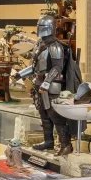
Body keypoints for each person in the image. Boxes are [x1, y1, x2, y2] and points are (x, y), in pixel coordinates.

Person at [31, 15, 80, 153]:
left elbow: (57, 67)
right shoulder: (40, 44)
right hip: (39, 83)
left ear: (51, 28)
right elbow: (35, 67)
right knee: (44, 115)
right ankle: (48, 141)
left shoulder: (55, 46)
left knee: (55, 116)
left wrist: (47, 82)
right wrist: (19, 75)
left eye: (43, 26)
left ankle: (66, 145)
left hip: (51, 86)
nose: (41, 29)